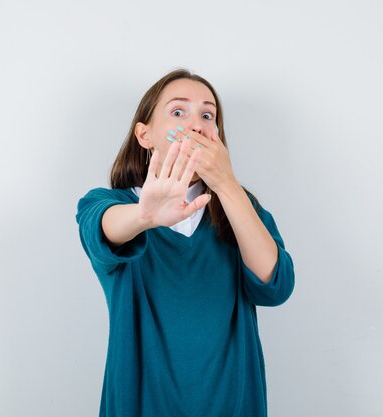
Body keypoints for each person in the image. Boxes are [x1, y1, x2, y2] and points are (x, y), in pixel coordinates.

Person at [75, 69, 295, 417]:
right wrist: (144, 217)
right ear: (144, 135)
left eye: (208, 115)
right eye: (179, 112)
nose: (196, 125)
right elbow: (103, 229)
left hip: (233, 404)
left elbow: (276, 285)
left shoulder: (242, 208)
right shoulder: (108, 203)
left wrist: (226, 184)